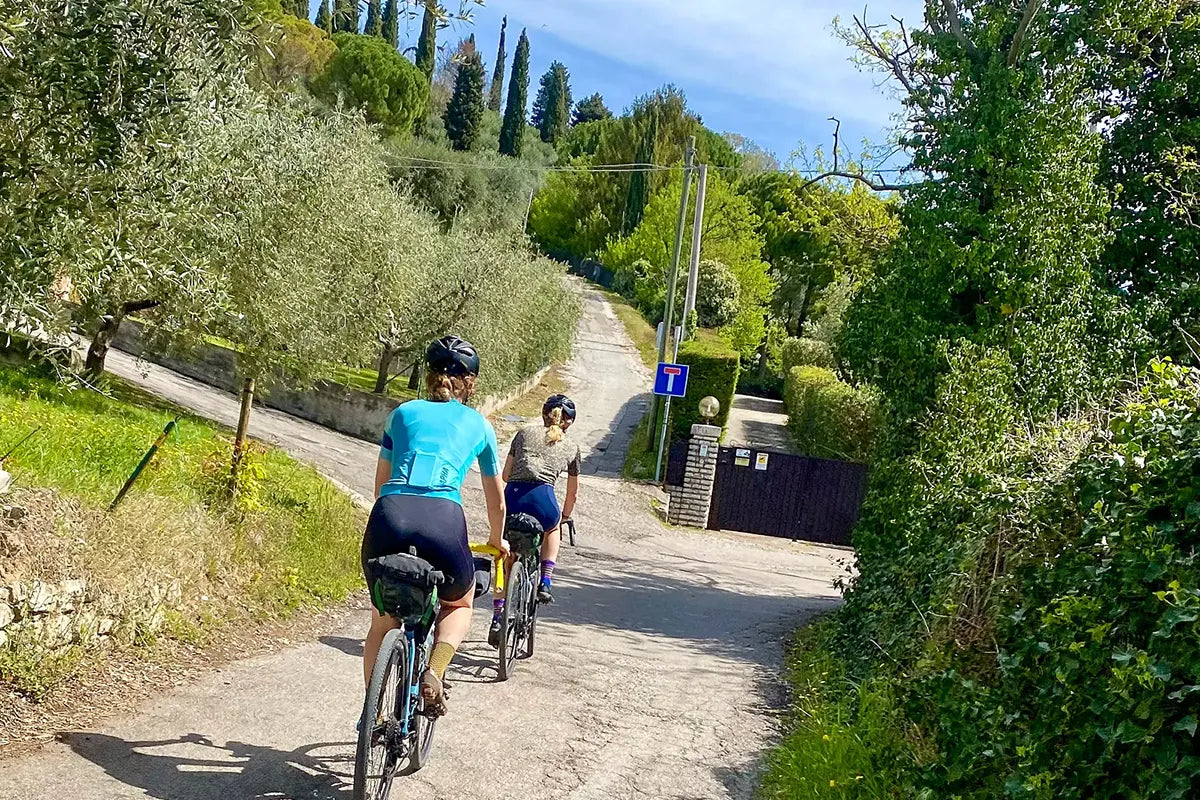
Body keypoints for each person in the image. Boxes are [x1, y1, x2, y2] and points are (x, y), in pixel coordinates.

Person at [361, 335, 507, 714]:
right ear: (469, 382)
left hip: (389, 516)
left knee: (382, 621)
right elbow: (497, 501)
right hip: (442, 520)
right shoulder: (479, 425)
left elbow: (380, 484)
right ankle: (435, 671)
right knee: (459, 601)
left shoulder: (402, 414)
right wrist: (497, 541)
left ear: (429, 376)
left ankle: (373, 714)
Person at [490, 394, 580, 645]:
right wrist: (564, 516)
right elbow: (572, 493)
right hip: (544, 500)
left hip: (513, 499)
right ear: (569, 422)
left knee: (505, 560)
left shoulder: (522, 434)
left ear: (543, 414)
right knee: (553, 527)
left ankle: (497, 616)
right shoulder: (572, 447)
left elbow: (505, 474)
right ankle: (546, 580)